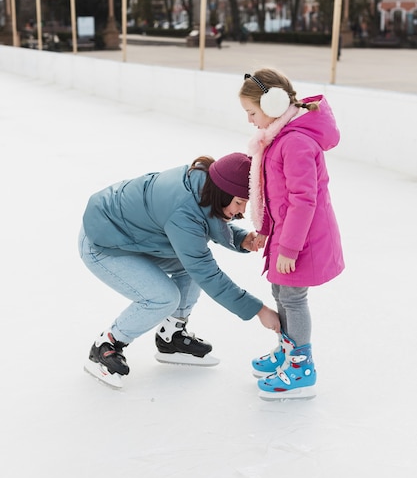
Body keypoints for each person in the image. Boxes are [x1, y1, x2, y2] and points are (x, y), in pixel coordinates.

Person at [79, 152, 280, 388]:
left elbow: (205, 220)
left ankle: (170, 337)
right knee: (163, 297)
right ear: (222, 192)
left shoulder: (206, 184)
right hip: (103, 242)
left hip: (136, 236)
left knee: (189, 267)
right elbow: (205, 269)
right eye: (238, 203)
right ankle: (107, 344)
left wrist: (241, 238)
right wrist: (259, 310)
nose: (241, 212)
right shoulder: (183, 211)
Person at [239, 69, 345, 400]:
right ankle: (289, 351)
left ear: (272, 104)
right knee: (281, 292)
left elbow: (303, 200)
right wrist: (269, 234)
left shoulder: (295, 142)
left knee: (293, 298)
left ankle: (301, 366)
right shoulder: (280, 138)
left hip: (302, 241)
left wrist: (288, 248)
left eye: (252, 113)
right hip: (288, 236)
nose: (250, 121)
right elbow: (274, 197)